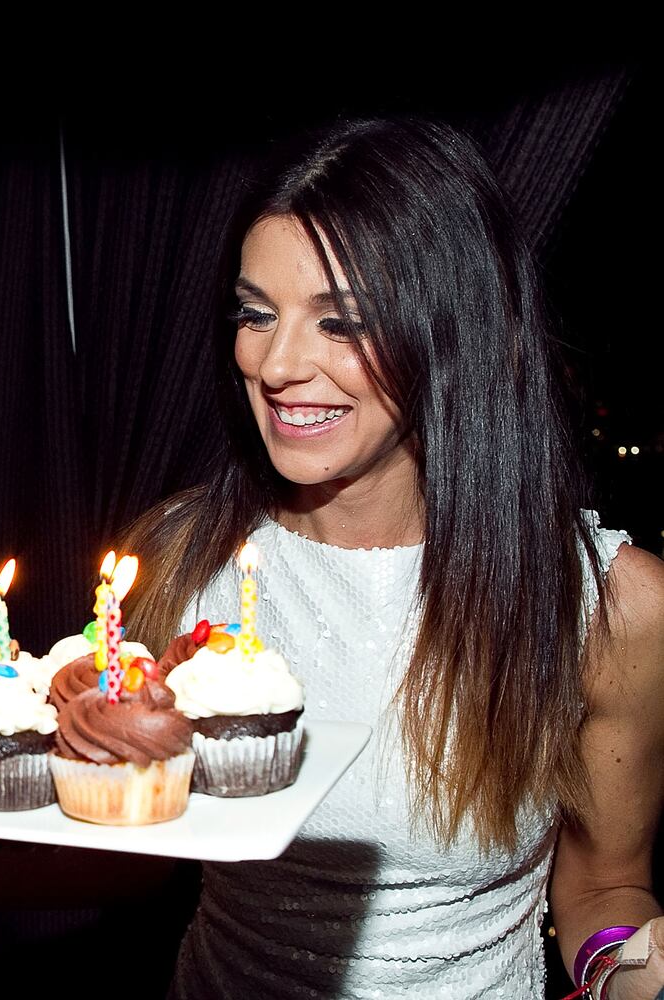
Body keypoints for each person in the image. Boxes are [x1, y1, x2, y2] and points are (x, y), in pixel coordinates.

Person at [119, 118, 664, 998]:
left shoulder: (609, 607)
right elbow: (114, 842)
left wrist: (626, 968)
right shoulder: (180, 559)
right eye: (256, 314)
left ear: (453, 333)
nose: (276, 363)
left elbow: (605, 884)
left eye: (342, 322)